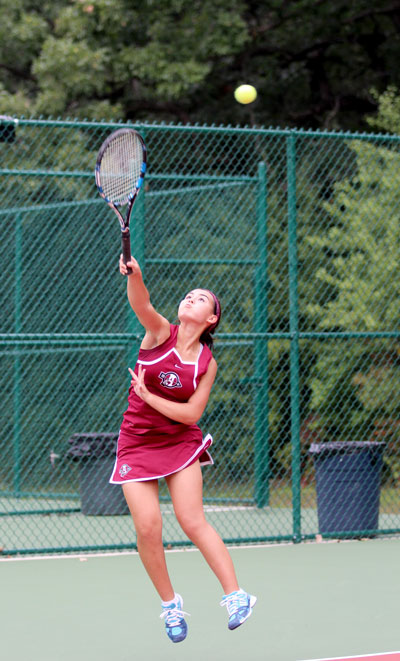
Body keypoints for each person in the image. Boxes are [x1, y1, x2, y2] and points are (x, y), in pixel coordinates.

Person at [110, 254, 257, 643]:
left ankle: (237, 595)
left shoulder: (207, 363)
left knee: (192, 521)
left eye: (201, 299)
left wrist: (148, 396)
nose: (191, 298)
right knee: (148, 526)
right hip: (137, 443)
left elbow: (192, 415)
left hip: (178, 441)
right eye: (189, 295)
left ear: (211, 319)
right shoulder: (161, 334)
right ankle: (171, 605)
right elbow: (141, 303)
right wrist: (135, 275)